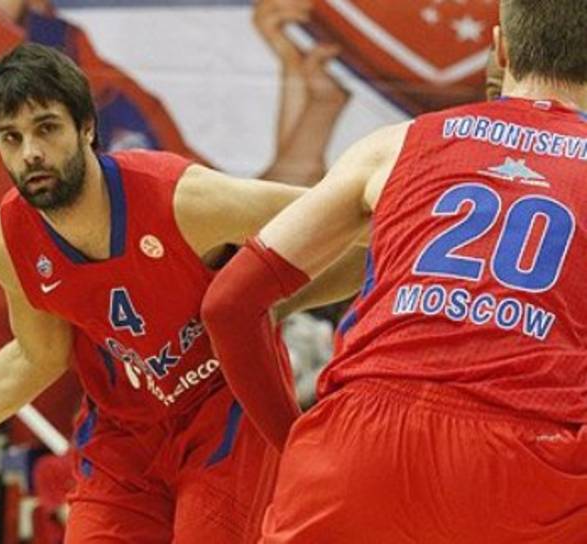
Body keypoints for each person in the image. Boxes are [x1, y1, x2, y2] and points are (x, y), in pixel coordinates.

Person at [0, 42, 362, 543]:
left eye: (47, 128)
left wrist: (274, 299)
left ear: (86, 126)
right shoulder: (10, 239)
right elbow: (38, 356)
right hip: (123, 436)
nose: (30, 152)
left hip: (227, 419)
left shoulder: (183, 199)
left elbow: (351, 217)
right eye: (11, 137)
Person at [202, 0, 587, 541]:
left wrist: (295, 440)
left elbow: (228, 303)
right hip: (520, 461)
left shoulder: (394, 144)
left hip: (354, 451)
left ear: (500, 48)